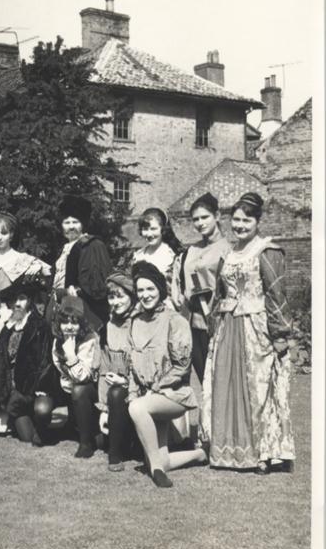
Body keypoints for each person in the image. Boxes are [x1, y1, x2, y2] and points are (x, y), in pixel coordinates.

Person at [201, 192, 294, 474]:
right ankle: (229, 451)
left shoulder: (267, 251)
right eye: (236, 220)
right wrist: (214, 322)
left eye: (246, 220)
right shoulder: (228, 254)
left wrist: (280, 334)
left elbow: (276, 294)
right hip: (228, 328)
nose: (240, 226)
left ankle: (263, 454)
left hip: (256, 327)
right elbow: (220, 293)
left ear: (257, 221)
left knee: (258, 388)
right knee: (226, 386)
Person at [126, 261, 207, 488]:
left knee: (137, 408)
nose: (145, 295)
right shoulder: (134, 322)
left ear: (160, 290)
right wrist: (133, 393)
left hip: (174, 395)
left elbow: (182, 365)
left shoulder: (175, 321)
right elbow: (132, 364)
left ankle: (157, 472)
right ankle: (199, 454)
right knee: (159, 456)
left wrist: (154, 388)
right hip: (148, 398)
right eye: (140, 290)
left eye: (150, 289)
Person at [0, 211, 51, 433]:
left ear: (11, 234)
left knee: (13, 364)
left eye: (4, 233)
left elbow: (46, 272)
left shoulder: (22, 259)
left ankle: (12, 415)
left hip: (15, 318)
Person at [0, 274, 53, 447]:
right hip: (14, 393)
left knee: (41, 412)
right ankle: (22, 418)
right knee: (27, 438)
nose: (17, 304)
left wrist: (35, 390)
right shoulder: (8, 327)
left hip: (34, 390)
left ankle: (41, 422)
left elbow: (45, 363)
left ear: (29, 301)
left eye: (22, 299)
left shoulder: (39, 326)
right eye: (14, 300)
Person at [170, 193, 232, 383]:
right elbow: (179, 280)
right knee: (203, 380)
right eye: (195, 219)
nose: (200, 223)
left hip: (215, 325)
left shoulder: (227, 250)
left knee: (218, 381)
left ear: (217, 216)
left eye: (205, 217)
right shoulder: (191, 250)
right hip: (191, 323)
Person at [47, 296, 101, 458]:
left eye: (74, 322)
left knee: (79, 389)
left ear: (81, 323)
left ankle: (86, 443)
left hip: (92, 389)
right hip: (69, 383)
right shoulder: (59, 340)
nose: (69, 327)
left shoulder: (90, 339)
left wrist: (71, 355)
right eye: (65, 322)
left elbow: (84, 376)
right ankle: (70, 424)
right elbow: (60, 368)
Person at [50, 194, 111, 332]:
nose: (71, 227)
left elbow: (97, 288)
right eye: (67, 222)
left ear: (83, 224)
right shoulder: (65, 249)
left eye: (75, 222)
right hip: (64, 314)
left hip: (83, 316)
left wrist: (63, 293)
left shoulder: (92, 246)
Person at [96, 271, 136, 471]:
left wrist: (127, 382)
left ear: (132, 296)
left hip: (138, 390)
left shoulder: (141, 323)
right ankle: (115, 454)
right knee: (115, 392)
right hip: (114, 397)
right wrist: (104, 410)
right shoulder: (108, 327)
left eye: (121, 296)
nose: (115, 301)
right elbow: (104, 369)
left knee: (119, 391)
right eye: (112, 296)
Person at [131, 207, 185, 284]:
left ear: (163, 229)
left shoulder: (173, 255)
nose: (149, 234)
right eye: (145, 229)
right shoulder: (138, 256)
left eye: (153, 229)